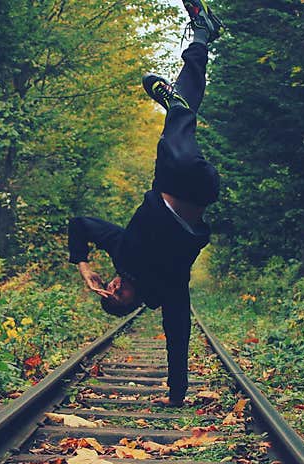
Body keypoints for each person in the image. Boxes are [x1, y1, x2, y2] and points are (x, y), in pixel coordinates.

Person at [67, 0, 224, 407]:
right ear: (133, 305)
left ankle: (202, 36)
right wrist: (176, 394)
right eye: (117, 297)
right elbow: (178, 333)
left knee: (179, 124)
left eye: (109, 289)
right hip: (197, 187)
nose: (114, 287)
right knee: (180, 128)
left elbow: (80, 223)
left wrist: (85, 269)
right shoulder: (166, 289)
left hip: (167, 175)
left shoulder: (119, 250)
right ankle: (181, 87)